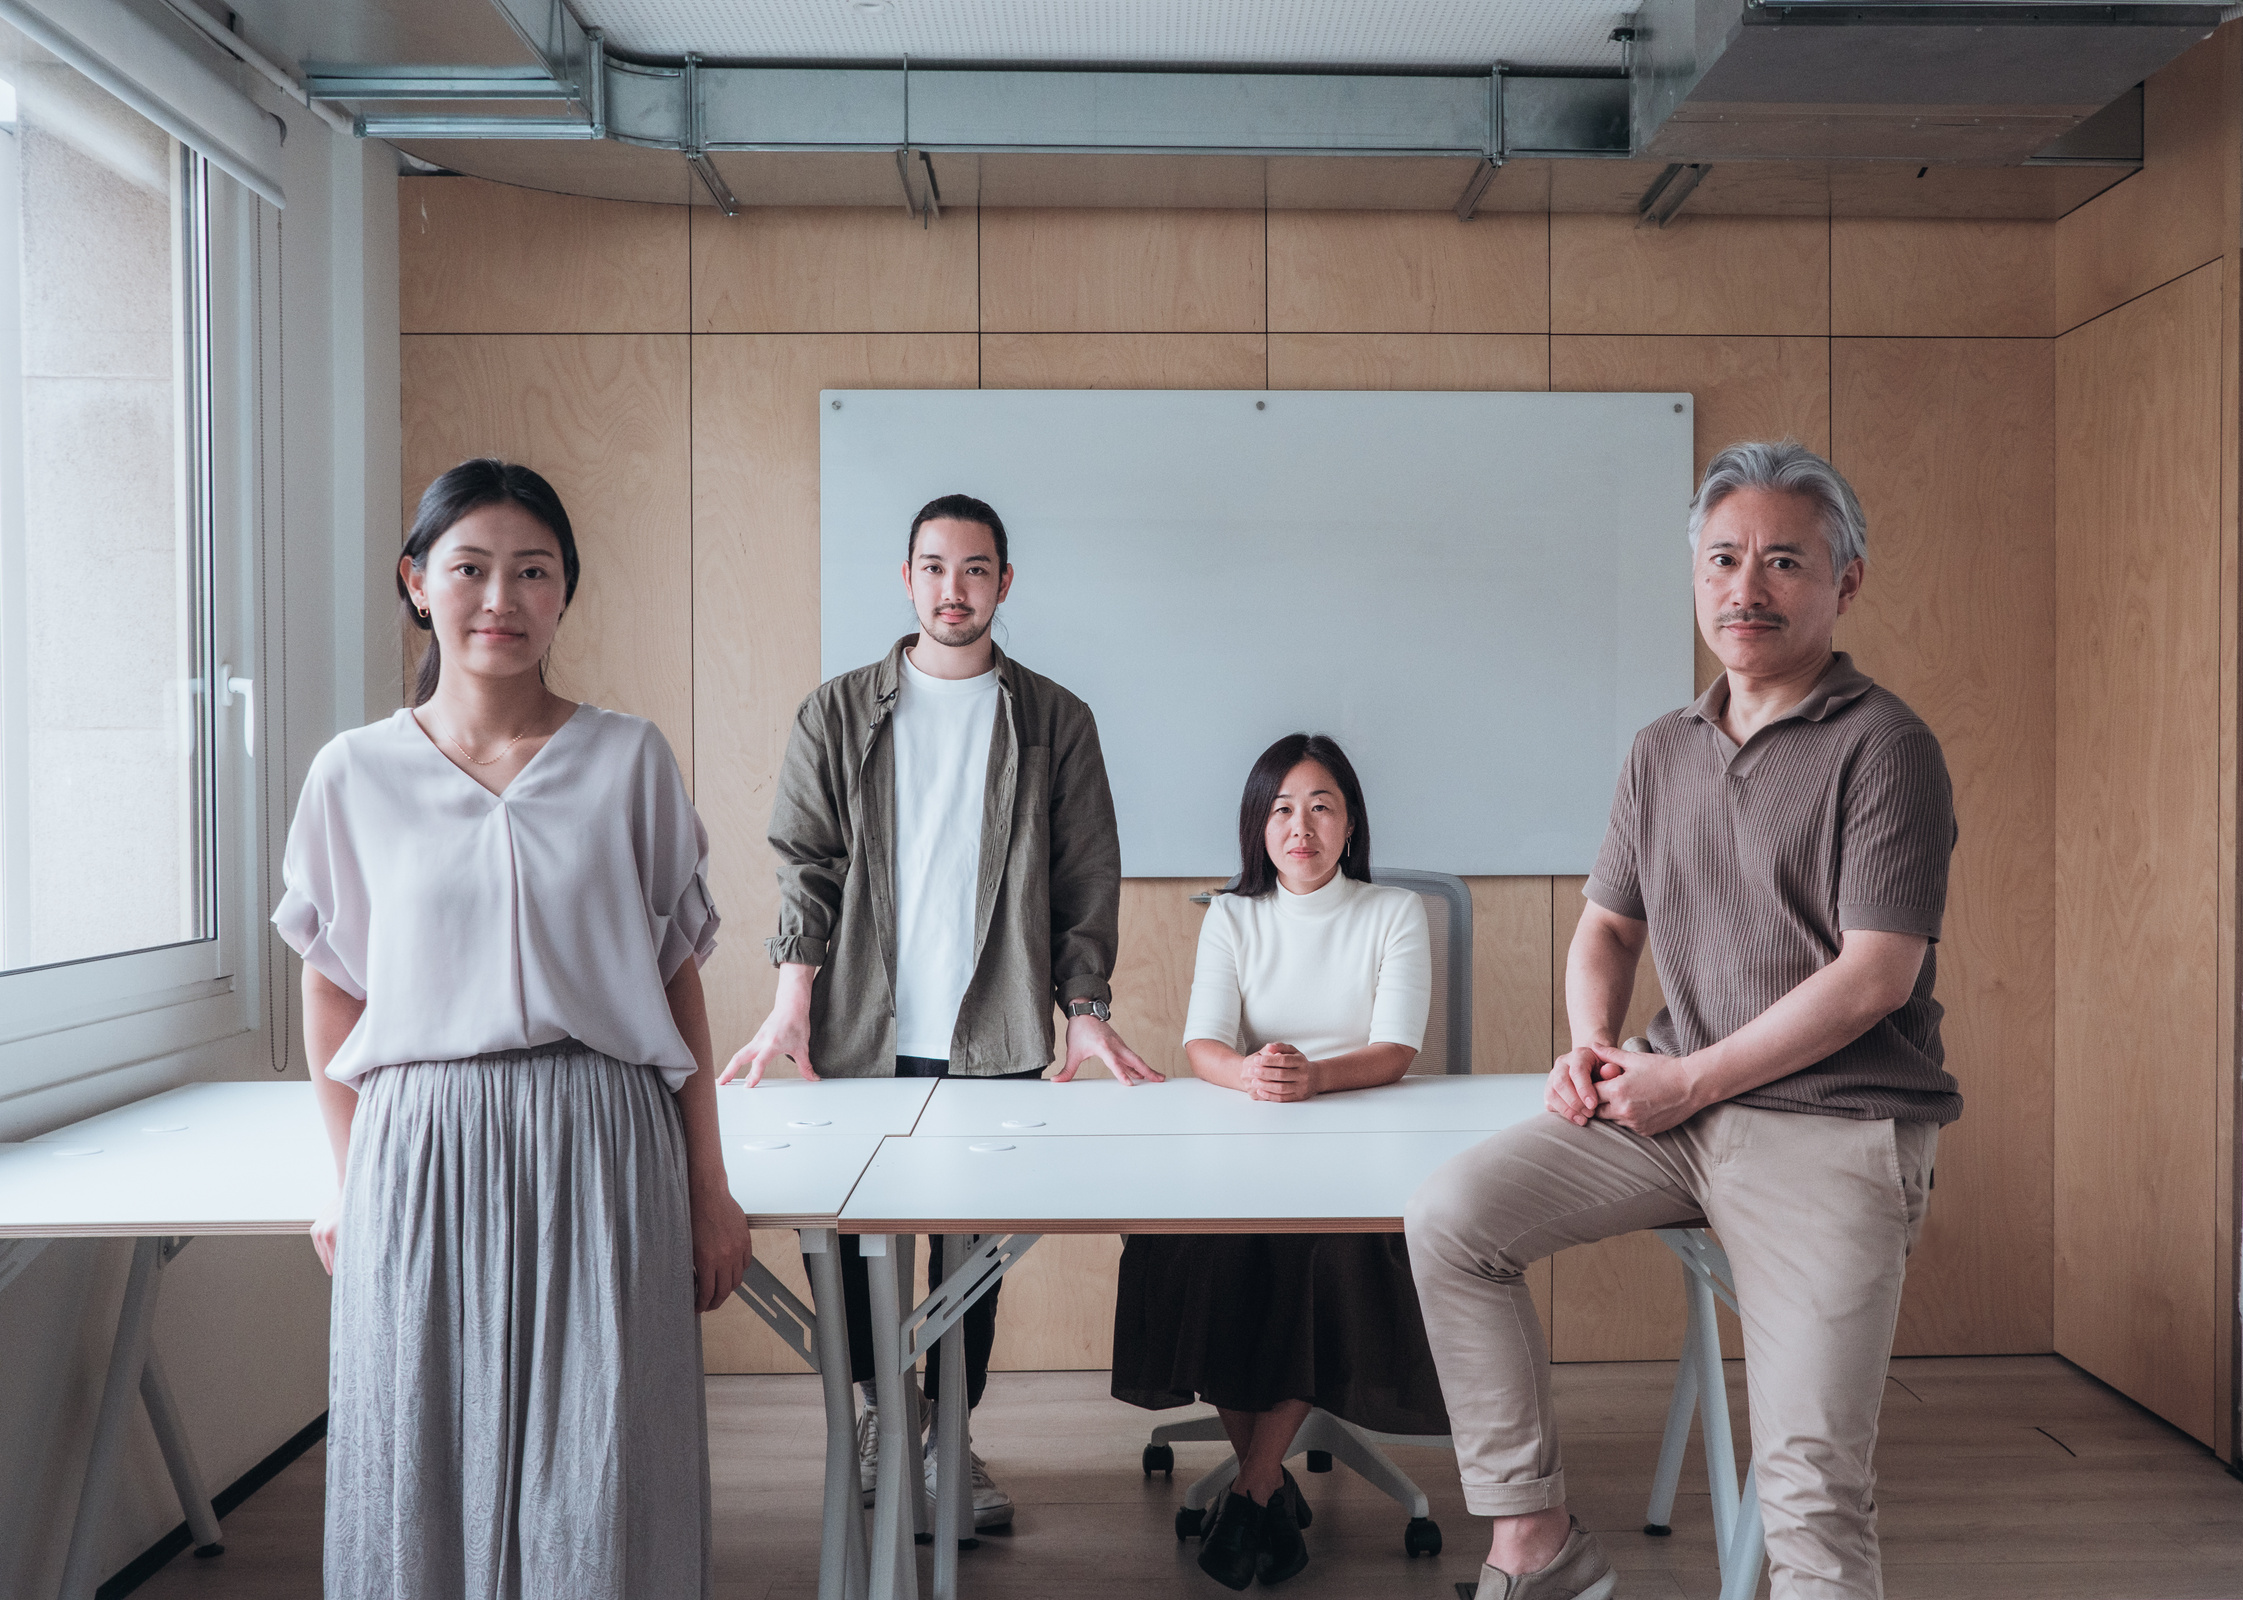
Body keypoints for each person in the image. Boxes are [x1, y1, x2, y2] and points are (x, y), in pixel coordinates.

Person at [1405, 440, 1958, 1600]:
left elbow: (1876, 977)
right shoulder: (1664, 748)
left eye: (1783, 562)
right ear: (1697, 576)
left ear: (1843, 583)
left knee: (1808, 1482)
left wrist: (1693, 1079)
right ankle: (1533, 1541)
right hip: (1667, 1103)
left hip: (1833, 1123)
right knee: (1455, 1216)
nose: (1745, 587)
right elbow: (1606, 928)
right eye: (1722, 559)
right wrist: (1593, 1045)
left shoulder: (1886, 747)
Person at [277, 459, 752, 1600]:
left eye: (532, 571)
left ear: (564, 594)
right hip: (421, 1143)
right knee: (418, 1455)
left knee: (602, 1462)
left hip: (602, 1133)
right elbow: (331, 983)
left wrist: (709, 1181)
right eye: (471, 567)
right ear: (418, 583)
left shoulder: (629, 757)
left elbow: (674, 973)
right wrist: (347, 1178)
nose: (501, 597)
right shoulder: (354, 772)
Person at [724, 492, 1162, 1531]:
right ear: (906, 578)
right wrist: (794, 992)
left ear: (1003, 583)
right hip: (858, 1032)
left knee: (968, 1261)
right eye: (932, 566)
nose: (951, 588)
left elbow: (1085, 874)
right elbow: (805, 864)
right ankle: (884, 1417)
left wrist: (1085, 1004)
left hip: (995, 1030)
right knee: (846, 1243)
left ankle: (949, 1435)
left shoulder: (1055, 718)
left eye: (974, 569)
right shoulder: (835, 713)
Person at [1112, 732, 1439, 1591]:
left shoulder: (1392, 912)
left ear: (1350, 821)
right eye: (1283, 808)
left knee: (1318, 1256)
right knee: (1189, 1245)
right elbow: (1202, 1046)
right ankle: (1265, 1485)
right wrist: (1253, 1074)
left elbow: (1397, 1048)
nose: (1302, 825)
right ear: (1259, 825)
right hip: (1251, 1137)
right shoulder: (1232, 914)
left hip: (1359, 1137)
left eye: (1322, 805)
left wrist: (1315, 1078)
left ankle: (1253, 1490)